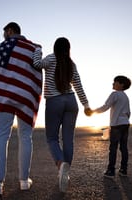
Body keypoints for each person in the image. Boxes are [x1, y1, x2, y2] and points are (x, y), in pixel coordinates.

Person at [0, 22, 42, 195]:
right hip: (26, 98)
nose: (3, 35)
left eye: (4, 32)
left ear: (10, 31)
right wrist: (32, 94)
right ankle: (23, 181)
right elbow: (37, 73)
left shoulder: (2, 47)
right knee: (26, 137)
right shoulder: (35, 48)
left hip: (5, 97)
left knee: (2, 136)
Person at [33, 37, 93, 192]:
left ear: (55, 47)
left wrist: (38, 50)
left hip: (54, 101)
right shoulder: (71, 63)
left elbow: (37, 64)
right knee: (68, 140)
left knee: (52, 138)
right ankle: (65, 175)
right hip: (71, 102)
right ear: (68, 48)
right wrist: (86, 105)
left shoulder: (51, 58)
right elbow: (78, 85)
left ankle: (60, 164)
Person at [91, 75, 131, 179]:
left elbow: (106, 106)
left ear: (121, 84)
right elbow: (128, 112)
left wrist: (93, 111)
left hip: (116, 125)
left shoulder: (114, 94)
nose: (113, 83)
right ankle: (123, 170)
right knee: (123, 147)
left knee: (113, 148)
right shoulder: (125, 96)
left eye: (115, 82)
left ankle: (111, 171)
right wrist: (125, 119)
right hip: (125, 124)